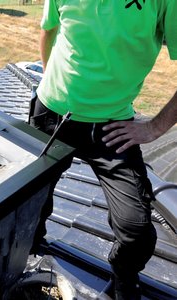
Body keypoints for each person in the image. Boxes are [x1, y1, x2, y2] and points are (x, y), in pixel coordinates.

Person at [29, 0, 177, 299]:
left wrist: (154, 127)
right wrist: (48, 79)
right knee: (30, 204)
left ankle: (124, 274)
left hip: (112, 129)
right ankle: (29, 253)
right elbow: (49, 30)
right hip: (51, 117)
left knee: (135, 229)